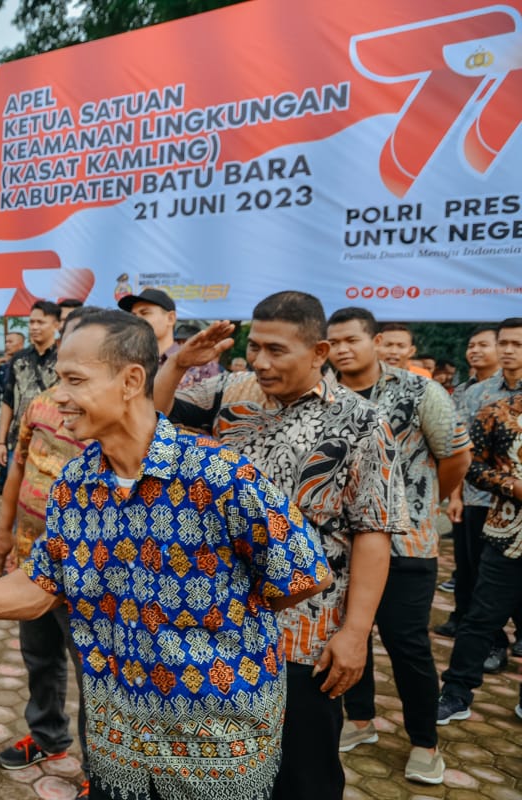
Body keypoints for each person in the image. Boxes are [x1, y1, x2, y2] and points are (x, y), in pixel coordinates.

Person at [0, 309, 331, 800]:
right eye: (59, 379)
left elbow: (304, 576)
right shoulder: (75, 484)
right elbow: (42, 585)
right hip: (117, 736)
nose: (59, 396)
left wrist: (222, 625)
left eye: (75, 380)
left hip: (216, 738)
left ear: (131, 380)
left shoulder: (218, 474)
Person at [155, 291, 403, 800]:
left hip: (302, 635)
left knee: (301, 773)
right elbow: (146, 419)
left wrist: (355, 634)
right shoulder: (228, 395)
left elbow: (373, 532)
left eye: (277, 351)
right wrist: (180, 362)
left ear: (319, 352)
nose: (261, 362)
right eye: (255, 346)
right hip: (212, 625)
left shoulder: (362, 423)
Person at [327, 307, 469, 784]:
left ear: (375, 341)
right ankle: (361, 720)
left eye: (352, 340)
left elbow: (454, 455)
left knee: (407, 646)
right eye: (334, 341)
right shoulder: (324, 391)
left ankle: (425, 743)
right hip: (339, 544)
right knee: (350, 633)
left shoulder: (419, 390)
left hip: (407, 546)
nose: (342, 350)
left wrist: (418, 502)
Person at [0, 306, 98, 796]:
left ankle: (104, 770)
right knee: (39, 657)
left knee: (94, 671)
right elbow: (17, 469)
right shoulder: (39, 404)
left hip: (87, 576)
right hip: (31, 561)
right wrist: (4, 530)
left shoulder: (106, 417)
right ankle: (49, 737)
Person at [438, 317, 522, 724]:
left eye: (517, 344)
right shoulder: (495, 407)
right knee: (480, 611)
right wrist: (511, 486)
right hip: (503, 526)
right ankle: (456, 692)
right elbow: (471, 464)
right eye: (504, 343)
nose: (509, 351)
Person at [0, 301, 60, 492]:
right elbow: (8, 401)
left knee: (47, 496)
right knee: (16, 494)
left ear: (56, 325)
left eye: (40, 322)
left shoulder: (63, 358)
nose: (34, 327)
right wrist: (1, 442)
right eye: (31, 322)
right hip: (19, 441)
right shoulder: (19, 359)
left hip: (53, 443)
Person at [119, 287, 220, 386]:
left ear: (171, 318)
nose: (137, 320)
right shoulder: (126, 365)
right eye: (133, 316)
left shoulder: (199, 363)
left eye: (145, 313)